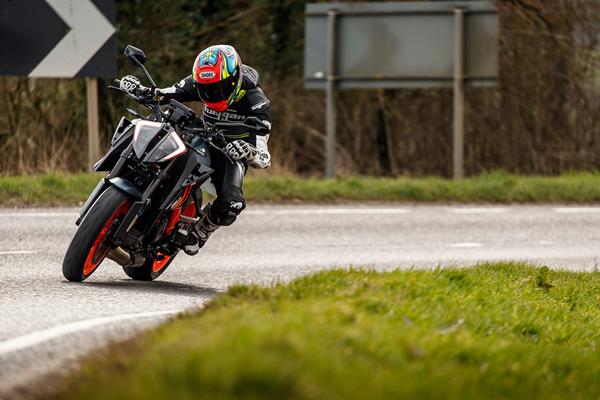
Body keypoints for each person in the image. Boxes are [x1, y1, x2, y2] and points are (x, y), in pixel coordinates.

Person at [119, 45, 272, 255]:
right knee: (147, 136)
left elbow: (264, 157)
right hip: (198, 134)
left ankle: (202, 229)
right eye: (206, 89)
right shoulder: (199, 81)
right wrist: (139, 90)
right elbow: (163, 94)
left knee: (232, 203)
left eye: (221, 88)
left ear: (235, 79)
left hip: (229, 152)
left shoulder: (257, 102)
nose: (212, 94)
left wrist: (248, 150)